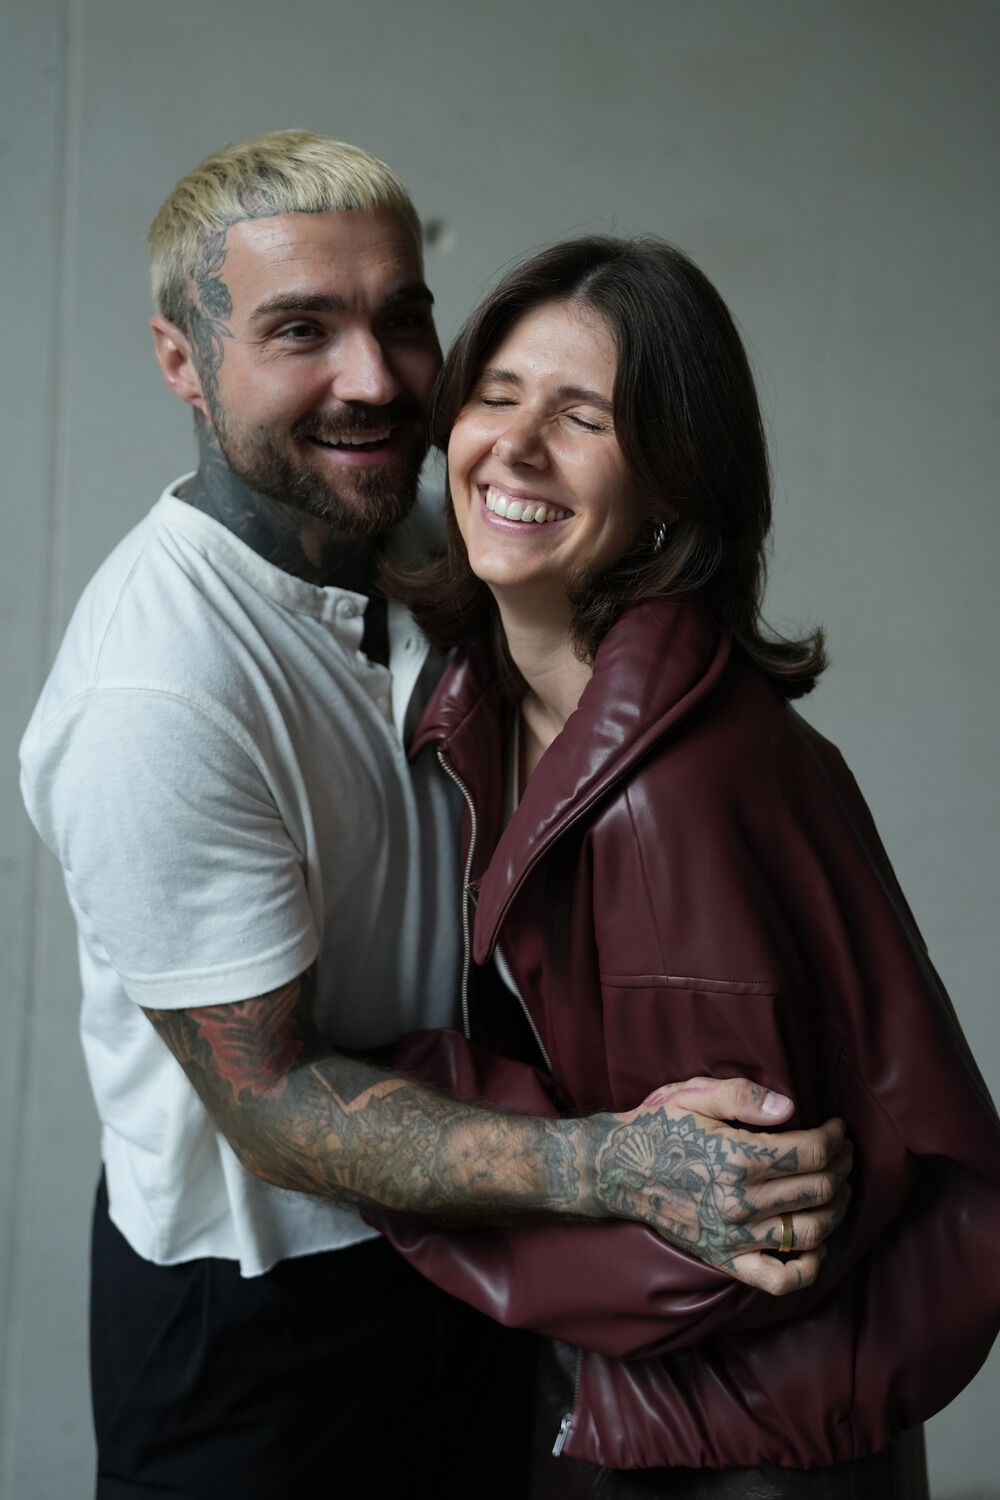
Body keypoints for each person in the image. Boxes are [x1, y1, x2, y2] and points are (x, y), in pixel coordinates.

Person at [19, 135, 851, 1499]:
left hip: (475, 1251)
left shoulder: (436, 526)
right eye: (302, 330)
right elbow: (274, 1104)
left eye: (402, 319)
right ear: (183, 359)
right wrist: (621, 1166)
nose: (376, 378)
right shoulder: (153, 692)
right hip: (265, 1322)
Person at [375, 236, 1000, 1497]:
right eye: (495, 396)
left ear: (670, 487)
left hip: (725, 1453)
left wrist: (395, 1140)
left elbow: (733, 1234)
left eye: (581, 418)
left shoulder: (674, 797)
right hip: (637, 1417)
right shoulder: (481, 702)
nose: (515, 447)